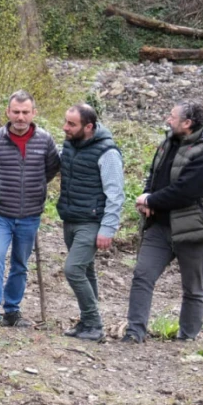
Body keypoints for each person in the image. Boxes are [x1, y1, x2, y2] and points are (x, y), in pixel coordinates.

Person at [124, 101, 203, 343]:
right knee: (142, 275)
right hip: (160, 226)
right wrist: (147, 198)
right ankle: (134, 332)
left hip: (196, 229)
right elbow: (155, 173)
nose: (167, 119)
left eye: (172, 116)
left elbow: (186, 192)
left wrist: (151, 199)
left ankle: (187, 337)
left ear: (187, 124)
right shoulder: (170, 141)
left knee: (193, 288)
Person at [0, 91, 61, 327]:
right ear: (8, 112)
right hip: (0, 214)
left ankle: (12, 310)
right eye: (16, 111)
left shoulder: (45, 140)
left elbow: (51, 169)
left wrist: (34, 189)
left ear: (34, 113)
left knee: (20, 263)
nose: (20, 117)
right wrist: (1, 189)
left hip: (30, 216)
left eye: (25, 112)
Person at [57, 103, 124, 342]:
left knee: (73, 269)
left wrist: (108, 228)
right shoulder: (69, 145)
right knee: (86, 270)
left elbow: (116, 193)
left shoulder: (108, 153)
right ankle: (87, 322)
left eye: (71, 124)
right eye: (65, 122)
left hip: (91, 221)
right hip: (70, 218)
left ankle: (94, 323)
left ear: (89, 127)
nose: (65, 127)